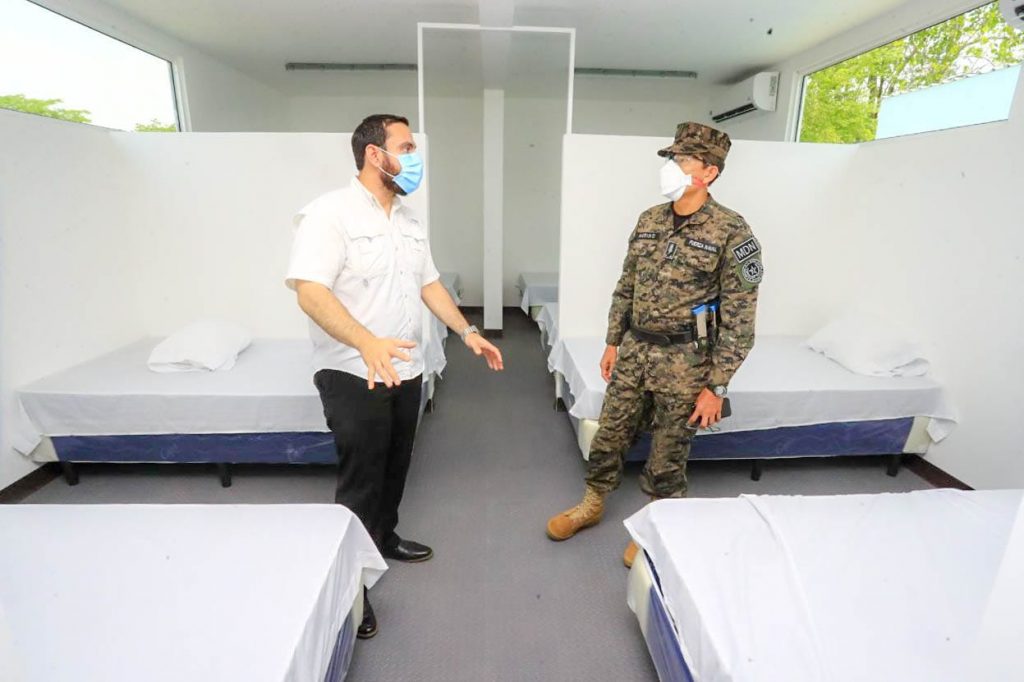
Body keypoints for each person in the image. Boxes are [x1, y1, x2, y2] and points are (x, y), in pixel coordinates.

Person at [286, 114, 504, 638]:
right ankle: (350, 586)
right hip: (354, 371)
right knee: (362, 481)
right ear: (374, 154)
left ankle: (383, 538)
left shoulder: (407, 219)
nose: (414, 157)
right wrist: (366, 342)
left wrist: (467, 330)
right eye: (405, 147)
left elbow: (429, 283)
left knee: (395, 465)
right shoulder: (329, 214)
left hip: (406, 368)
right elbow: (310, 291)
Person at [545, 122, 762, 568]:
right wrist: (612, 341)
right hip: (635, 351)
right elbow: (626, 286)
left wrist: (716, 386)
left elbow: (741, 319)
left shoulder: (732, 231)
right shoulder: (650, 219)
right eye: (672, 159)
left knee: (669, 448)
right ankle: (592, 502)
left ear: (709, 172)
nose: (672, 167)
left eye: (683, 160)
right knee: (610, 431)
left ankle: (657, 522)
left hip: (686, 360)